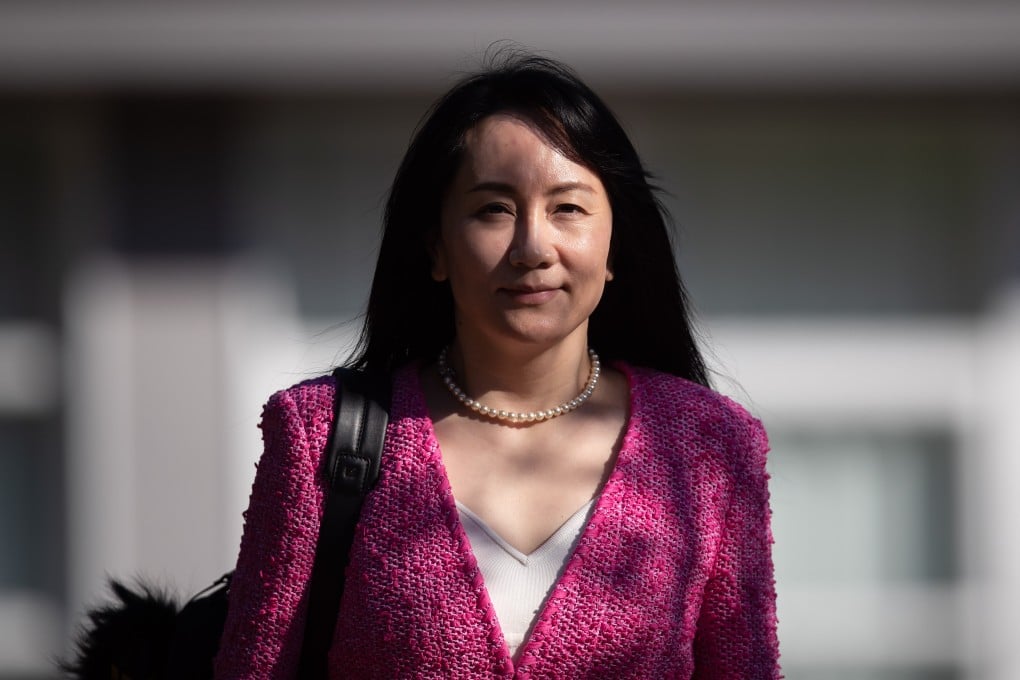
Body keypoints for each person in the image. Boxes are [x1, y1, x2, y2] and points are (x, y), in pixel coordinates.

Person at [214, 51, 780, 679]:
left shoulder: (709, 447)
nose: (533, 248)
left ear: (617, 245)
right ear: (436, 248)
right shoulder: (321, 434)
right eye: (493, 210)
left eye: (568, 208)